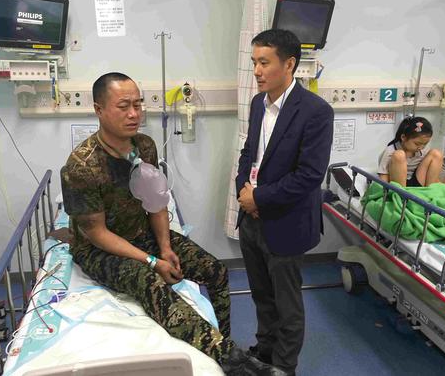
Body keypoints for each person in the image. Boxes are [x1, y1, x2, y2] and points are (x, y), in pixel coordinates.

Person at [61, 72, 285, 376]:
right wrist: (152, 261)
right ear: (99, 109)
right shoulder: (82, 165)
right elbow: (97, 233)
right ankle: (231, 360)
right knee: (148, 280)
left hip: (143, 234)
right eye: (123, 106)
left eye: (138, 105)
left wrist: (165, 247)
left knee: (216, 271)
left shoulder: (145, 146)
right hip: (101, 249)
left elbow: (156, 202)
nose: (134, 114)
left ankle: (224, 339)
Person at [235, 29, 334, 375]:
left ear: (289, 64)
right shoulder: (257, 105)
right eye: (254, 63)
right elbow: (249, 154)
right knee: (261, 295)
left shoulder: (315, 112)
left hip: (286, 222)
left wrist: (258, 197)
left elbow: (310, 174)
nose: (257, 71)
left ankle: (283, 366)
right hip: (251, 218)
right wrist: (242, 193)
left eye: (264, 62)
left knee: (287, 302)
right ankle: (264, 352)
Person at [377, 116, 443, 187]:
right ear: (403, 137)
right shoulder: (390, 151)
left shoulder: (422, 151)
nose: (421, 147)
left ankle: (430, 191)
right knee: (399, 155)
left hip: (417, 181)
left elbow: (429, 172)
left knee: (436, 154)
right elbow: (383, 178)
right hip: (399, 184)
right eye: (417, 144)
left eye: (425, 144)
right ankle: (402, 196)